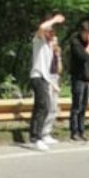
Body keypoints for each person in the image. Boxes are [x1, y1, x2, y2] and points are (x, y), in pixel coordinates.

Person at [29, 12, 65, 151]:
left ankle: (37, 135)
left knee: (41, 106)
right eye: (50, 31)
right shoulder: (38, 40)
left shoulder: (50, 48)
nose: (52, 34)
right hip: (37, 77)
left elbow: (50, 70)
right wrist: (55, 19)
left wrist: (53, 84)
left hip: (44, 78)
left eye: (53, 32)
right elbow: (42, 27)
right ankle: (37, 137)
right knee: (43, 105)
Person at [69, 21, 89, 141]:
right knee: (77, 106)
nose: (87, 36)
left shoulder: (87, 43)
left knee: (84, 106)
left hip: (87, 78)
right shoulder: (75, 42)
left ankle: (82, 130)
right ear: (81, 32)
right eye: (85, 33)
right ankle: (74, 131)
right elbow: (83, 57)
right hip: (78, 78)